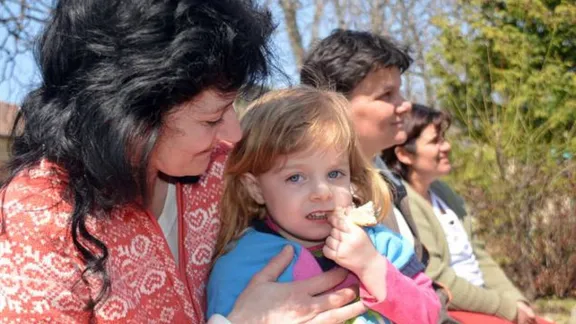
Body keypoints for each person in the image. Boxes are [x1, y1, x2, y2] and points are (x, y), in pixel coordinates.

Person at [0, 1, 366, 323]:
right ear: (129, 115)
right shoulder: (42, 215)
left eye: (233, 107)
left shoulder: (222, 172)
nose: (234, 134)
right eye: (211, 118)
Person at [208, 87, 441, 323]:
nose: (322, 192)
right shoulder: (241, 265)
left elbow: (430, 315)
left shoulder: (380, 244)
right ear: (255, 188)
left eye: (335, 174)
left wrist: (372, 267)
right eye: (295, 177)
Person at [300, 29, 459, 323]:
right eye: (387, 94)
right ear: (334, 104)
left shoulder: (388, 180)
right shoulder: (315, 203)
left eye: (399, 90)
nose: (406, 104)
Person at [381, 104, 552, 324]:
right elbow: (436, 276)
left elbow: (479, 256)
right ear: (404, 154)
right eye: (436, 141)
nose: (447, 146)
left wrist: (517, 302)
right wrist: (505, 308)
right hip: (451, 309)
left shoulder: (444, 193)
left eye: (444, 138)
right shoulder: (405, 204)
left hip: (485, 304)